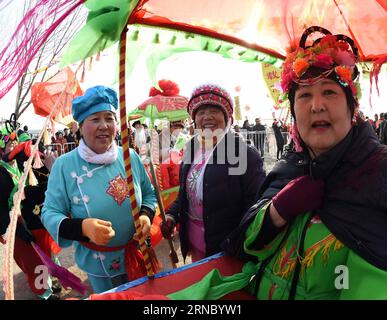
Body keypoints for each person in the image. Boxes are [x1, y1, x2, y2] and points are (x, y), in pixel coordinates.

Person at [220, 26, 387, 300]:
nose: (316, 105)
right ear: (294, 112)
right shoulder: (289, 165)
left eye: (329, 92)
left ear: (351, 107)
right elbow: (244, 243)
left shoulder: (379, 171)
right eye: (304, 95)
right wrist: (277, 210)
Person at [41, 85, 158, 293]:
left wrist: (146, 215)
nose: (104, 126)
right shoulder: (65, 165)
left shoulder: (129, 156)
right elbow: (50, 213)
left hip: (139, 253)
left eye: (109, 118)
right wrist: (83, 228)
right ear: (80, 126)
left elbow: (149, 194)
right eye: (95, 119)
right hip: (100, 265)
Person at [160, 83, 266, 262]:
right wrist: (171, 215)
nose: (207, 117)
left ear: (226, 117)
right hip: (195, 244)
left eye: (214, 110)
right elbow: (184, 195)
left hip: (227, 250)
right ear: (194, 119)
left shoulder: (243, 152)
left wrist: (237, 243)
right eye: (200, 112)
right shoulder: (191, 148)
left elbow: (255, 207)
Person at [0, 126, 61, 300]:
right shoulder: (2, 172)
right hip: (11, 226)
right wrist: (16, 230)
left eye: (15, 144)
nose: (13, 147)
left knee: (44, 255)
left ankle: (49, 283)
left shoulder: (22, 166)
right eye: (9, 145)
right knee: (32, 261)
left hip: (27, 220)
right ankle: (45, 294)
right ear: (3, 149)